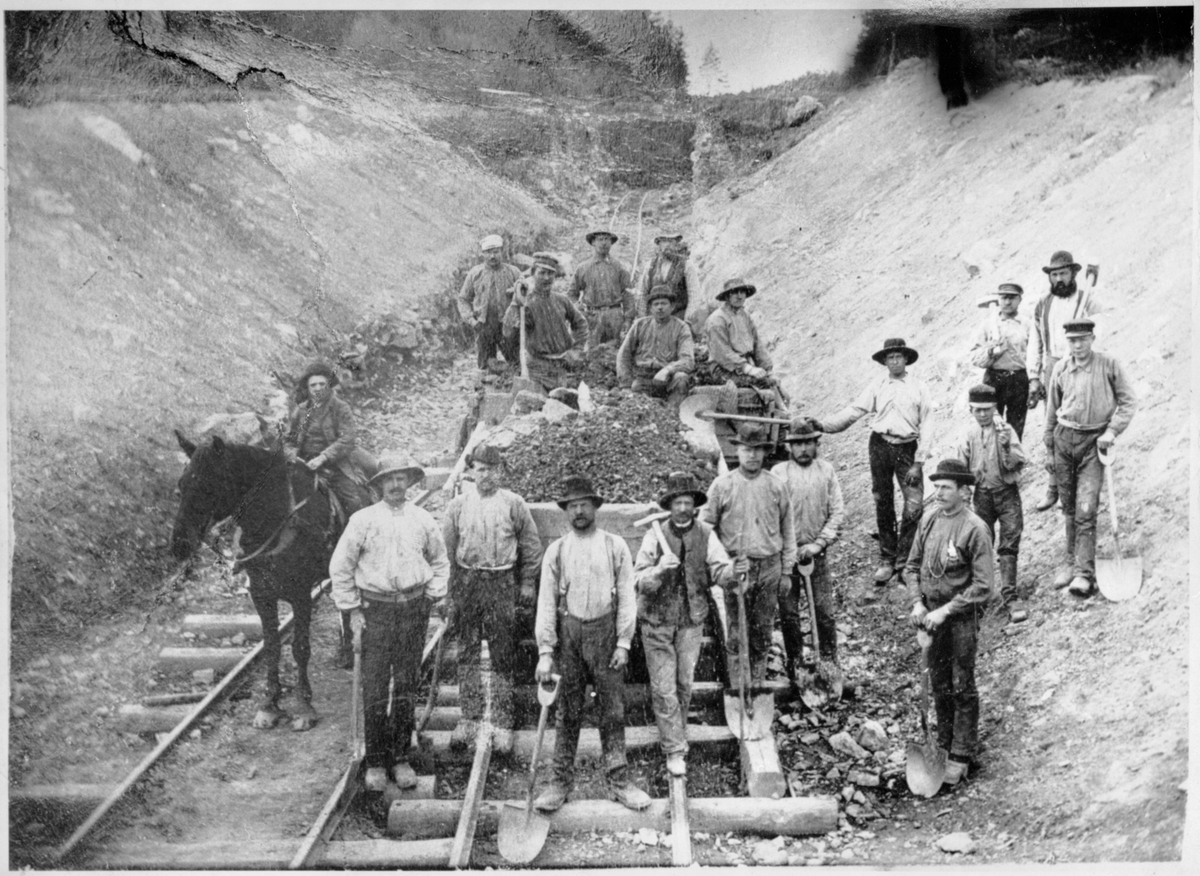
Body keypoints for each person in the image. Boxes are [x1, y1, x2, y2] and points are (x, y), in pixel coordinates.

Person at [329, 453, 450, 793]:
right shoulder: (363, 520)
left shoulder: (422, 520)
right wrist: (353, 610)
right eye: (389, 479)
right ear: (379, 484)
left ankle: (400, 757)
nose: (396, 485)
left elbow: (440, 562)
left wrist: (433, 595)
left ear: (409, 482)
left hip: (412, 610)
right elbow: (341, 568)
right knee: (376, 685)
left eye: (401, 478)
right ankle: (375, 761)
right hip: (376, 612)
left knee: (407, 683)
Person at [533, 475, 650, 812]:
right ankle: (559, 782)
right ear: (566, 511)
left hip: (605, 636)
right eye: (572, 506)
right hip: (569, 636)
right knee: (566, 710)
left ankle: (619, 781)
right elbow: (546, 603)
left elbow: (627, 597)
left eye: (584, 504)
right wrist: (545, 651)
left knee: (612, 709)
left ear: (595, 507)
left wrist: (624, 643)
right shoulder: (557, 551)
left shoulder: (615, 546)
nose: (579, 511)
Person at [441, 444, 542, 757]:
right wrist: (449, 593)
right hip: (468, 582)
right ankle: (470, 718)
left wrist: (527, 582)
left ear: (501, 472)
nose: (485, 475)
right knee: (468, 651)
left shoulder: (514, 504)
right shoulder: (458, 506)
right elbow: (446, 553)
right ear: (471, 472)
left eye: (492, 469)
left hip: (501, 582)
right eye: (480, 469)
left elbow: (531, 546)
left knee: (502, 652)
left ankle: (502, 721)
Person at [633, 472, 734, 777]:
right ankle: (674, 749)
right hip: (657, 622)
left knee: (684, 684)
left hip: (691, 620)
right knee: (664, 688)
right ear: (669, 505)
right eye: (677, 502)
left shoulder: (706, 534)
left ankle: (677, 733)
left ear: (694, 505)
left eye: (687, 502)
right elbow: (638, 580)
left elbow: (720, 571)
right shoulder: (654, 535)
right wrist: (658, 570)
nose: (682, 508)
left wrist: (734, 572)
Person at [810, 338, 932, 585]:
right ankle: (887, 558)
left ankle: (905, 562)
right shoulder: (877, 385)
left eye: (898, 356)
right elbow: (854, 411)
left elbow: (928, 424)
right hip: (879, 446)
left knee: (914, 505)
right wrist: (823, 425)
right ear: (885, 361)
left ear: (906, 359)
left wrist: (919, 462)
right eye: (890, 357)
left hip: (907, 449)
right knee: (882, 501)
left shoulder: (919, 387)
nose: (895, 361)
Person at [903, 459, 993, 786]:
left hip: (960, 618)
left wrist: (947, 610)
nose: (939, 493)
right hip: (930, 615)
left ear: (963, 491)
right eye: (936, 486)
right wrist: (917, 602)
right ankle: (942, 744)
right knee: (938, 682)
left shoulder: (975, 528)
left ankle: (962, 752)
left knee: (961, 683)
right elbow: (911, 567)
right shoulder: (929, 519)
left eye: (946, 487)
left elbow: (983, 586)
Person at [285, 360, 377, 669]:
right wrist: (294, 458)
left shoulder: (340, 408)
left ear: (329, 385)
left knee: (356, 503)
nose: (317, 389)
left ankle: (364, 547)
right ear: (307, 388)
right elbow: (290, 439)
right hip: (304, 467)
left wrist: (323, 457)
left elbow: (347, 439)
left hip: (335, 466)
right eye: (312, 385)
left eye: (322, 384)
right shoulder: (300, 411)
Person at [1044, 318, 1137, 596]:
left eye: (1083, 339)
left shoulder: (1108, 364)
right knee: (1069, 507)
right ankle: (1070, 563)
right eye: (1072, 340)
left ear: (1092, 339)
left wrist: (1112, 431)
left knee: (1086, 506)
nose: (1077, 345)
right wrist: (1049, 449)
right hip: (1064, 440)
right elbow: (1051, 412)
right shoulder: (1061, 368)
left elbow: (1128, 401)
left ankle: (1083, 574)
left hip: (1094, 443)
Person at [701, 423, 797, 688]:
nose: (752, 455)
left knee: (762, 630)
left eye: (757, 450)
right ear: (738, 450)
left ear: (765, 452)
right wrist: (722, 563)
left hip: (769, 567)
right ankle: (737, 686)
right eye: (747, 449)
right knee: (736, 631)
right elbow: (705, 529)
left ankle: (756, 683)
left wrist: (786, 570)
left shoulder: (776, 486)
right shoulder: (722, 486)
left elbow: (788, 530)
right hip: (737, 567)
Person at [771, 418, 846, 685]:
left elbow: (837, 512)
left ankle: (829, 663)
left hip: (817, 554)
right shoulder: (779, 473)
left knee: (824, 612)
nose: (803, 449)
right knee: (789, 614)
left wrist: (818, 544)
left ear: (816, 444)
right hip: (786, 557)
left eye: (808, 443)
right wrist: (787, 548)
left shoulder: (826, 471)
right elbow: (770, 514)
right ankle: (796, 665)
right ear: (789, 447)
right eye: (798, 444)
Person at [1026, 250, 1103, 511]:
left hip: (1081, 366)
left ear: (1074, 273)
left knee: (1077, 425)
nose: (1059, 279)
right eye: (1054, 274)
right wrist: (1034, 376)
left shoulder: (1087, 299)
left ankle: (1076, 488)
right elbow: (1035, 341)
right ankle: (1054, 488)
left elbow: (1101, 333)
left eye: (1063, 273)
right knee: (1053, 427)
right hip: (1052, 366)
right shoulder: (1043, 304)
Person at [953, 385, 1028, 622]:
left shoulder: (1006, 430)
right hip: (982, 496)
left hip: (1007, 494)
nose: (983, 414)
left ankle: (1010, 596)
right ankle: (980, 598)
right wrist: (964, 498)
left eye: (987, 409)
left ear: (995, 407)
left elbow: (1018, 462)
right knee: (981, 544)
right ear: (971, 410)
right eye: (978, 410)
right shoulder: (969, 434)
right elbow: (961, 470)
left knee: (1009, 544)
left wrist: (1006, 446)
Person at [502, 252, 589, 394]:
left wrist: (577, 350)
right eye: (542, 273)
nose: (546, 278)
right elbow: (508, 332)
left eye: (550, 274)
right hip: (538, 369)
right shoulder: (526, 303)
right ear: (533, 273)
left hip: (563, 366)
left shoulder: (562, 300)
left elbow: (581, 324)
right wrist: (515, 303)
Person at [616, 284, 695, 408]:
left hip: (668, 379)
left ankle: (673, 413)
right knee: (636, 402)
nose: (660, 308)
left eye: (664, 303)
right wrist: (625, 385)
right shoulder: (639, 325)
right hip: (643, 378)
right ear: (650, 308)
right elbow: (623, 354)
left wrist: (667, 370)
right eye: (656, 304)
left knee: (681, 378)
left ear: (672, 306)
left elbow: (688, 360)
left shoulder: (681, 327)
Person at [970, 282, 1031, 439]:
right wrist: (991, 351)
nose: (1008, 302)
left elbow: (1035, 354)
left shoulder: (1027, 324)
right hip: (994, 379)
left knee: (1016, 426)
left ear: (1020, 299)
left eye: (1012, 298)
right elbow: (974, 356)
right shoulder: (988, 325)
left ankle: (1013, 453)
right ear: (998, 299)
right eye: (1004, 298)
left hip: (1019, 379)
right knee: (990, 424)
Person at [457, 234, 523, 370]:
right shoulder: (475, 273)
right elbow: (463, 299)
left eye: (496, 252)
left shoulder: (514, 272)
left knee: (516, 364)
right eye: (488, 252)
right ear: (483, 254)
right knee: (485, 366)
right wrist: (471, 320)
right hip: (484, 326)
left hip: (508, 326)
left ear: (502, 251)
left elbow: (526, 295)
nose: (492, 256)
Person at [703, 278, 775, 387]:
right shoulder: (717, 319)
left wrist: (768, 370)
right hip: (724, 368)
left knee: (774, 383)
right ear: (727, 297)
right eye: (735, 292)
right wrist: (747, 368)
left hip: (745, 364)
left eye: (742, 292)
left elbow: (757, 344)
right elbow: (722, 352)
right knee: (762, 385)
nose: (740, 296)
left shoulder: (745, 316)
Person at [571, 229, 634, 346]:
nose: (604, 243)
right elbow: (571, 293)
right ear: (593, 242)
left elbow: (627, 294)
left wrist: (628, 319)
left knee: (615, 348)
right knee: (592, 350)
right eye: (600, 239)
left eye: (606, 239)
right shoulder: (583, 268)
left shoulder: (619, 267)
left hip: (614, 316)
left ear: (611, 243)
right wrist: (577, 308)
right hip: (592, 316)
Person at [639, 233, 700, 321]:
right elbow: (643, 293)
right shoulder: (650, 266)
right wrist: (643, 319)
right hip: (654, 318)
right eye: (664, 241)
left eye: (671, 241)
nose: (667, 245)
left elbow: (694, 295)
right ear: (659, 245)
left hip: (678, 317)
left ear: (676, 244)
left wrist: (688, 320)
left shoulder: (687, 265)